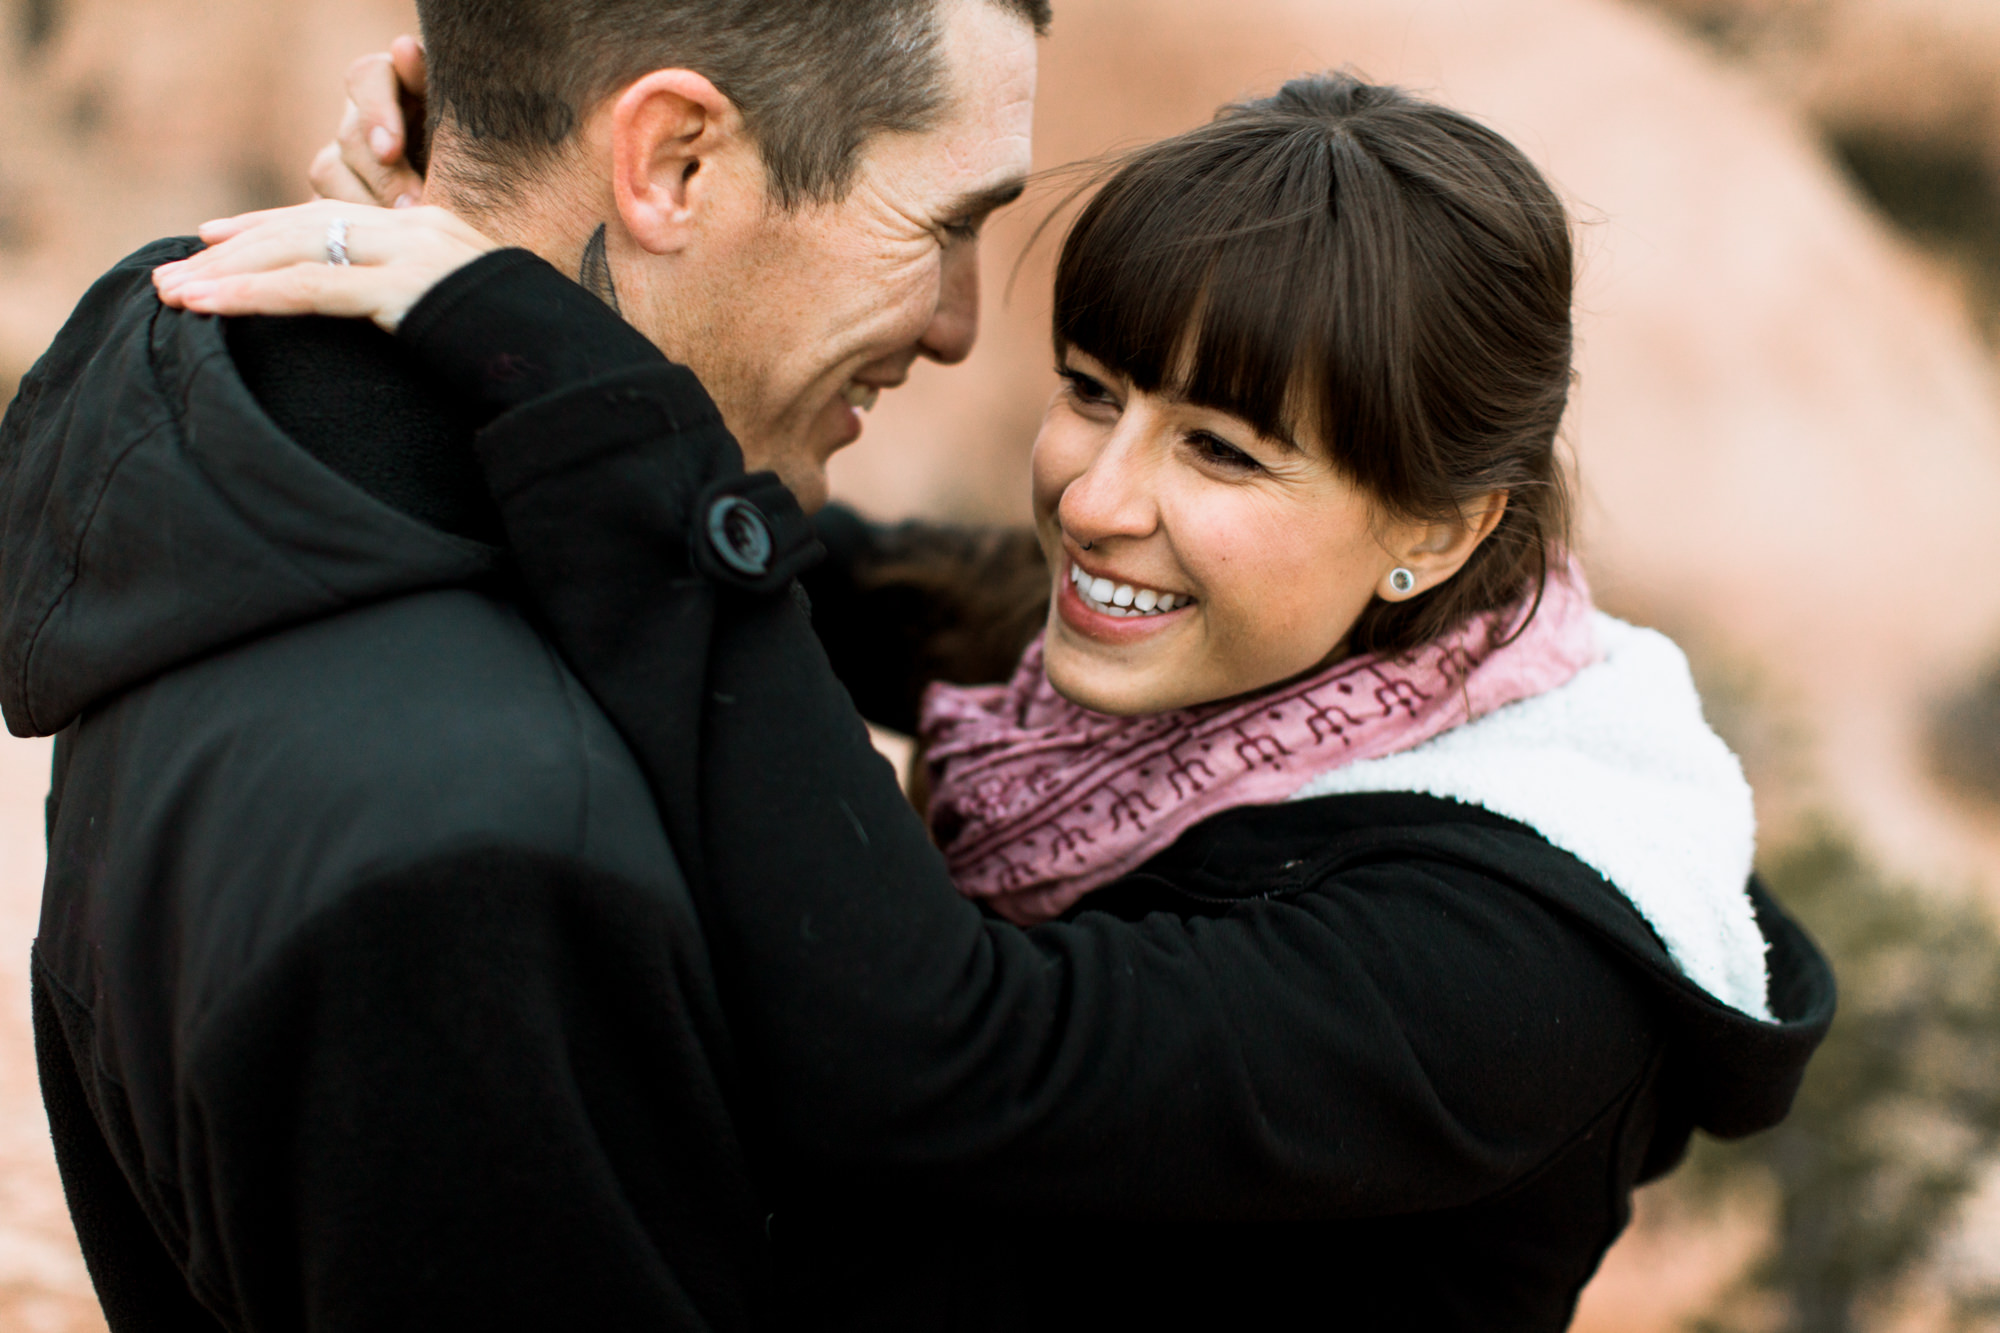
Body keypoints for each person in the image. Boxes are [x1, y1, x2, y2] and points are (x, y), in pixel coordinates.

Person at [141, 68, 1833, 1333]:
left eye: (1223, 451)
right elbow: (790, 570)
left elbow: (939, 1050)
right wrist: (504, 257)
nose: (1098, 495)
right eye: (1094, 392)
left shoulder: (1507, 960)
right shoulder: (1190, 679)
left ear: (1439, 528)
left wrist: (543, 366)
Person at [7, 2, 1046, 1330]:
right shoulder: (490, 864)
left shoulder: (253, 513)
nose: (958, 323)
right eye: (945, 222)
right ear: (675, 161)